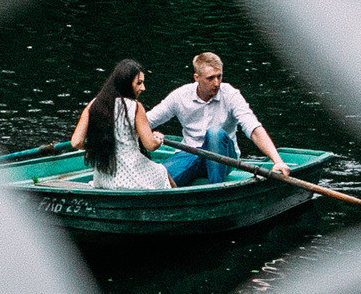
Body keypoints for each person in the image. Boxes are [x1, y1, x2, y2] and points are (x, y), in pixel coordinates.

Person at [147, 51, 288, 186]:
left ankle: (217, 189)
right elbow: (147, 121)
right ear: (196, 78)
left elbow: (253, 128)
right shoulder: (180, 96)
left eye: (219, 76)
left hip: (224, 158)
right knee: (157, 182)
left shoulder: (231, 95)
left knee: (214, 133)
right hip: (189, 154)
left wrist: (277, 160)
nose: (216, 83)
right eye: (210, 78)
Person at [70, 58, 174, 190]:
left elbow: (76, 142)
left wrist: (96, 146)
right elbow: (150, 145)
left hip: (103, 177)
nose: (143, 88)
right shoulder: (135, 107)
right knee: (162, 171)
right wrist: (159, 139)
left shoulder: (94, 104)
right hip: (132, 175)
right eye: (139, 83)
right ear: (126, 83)